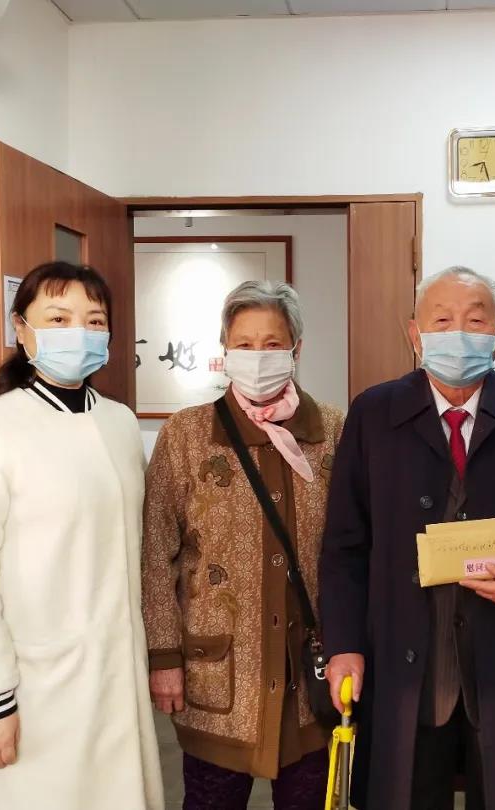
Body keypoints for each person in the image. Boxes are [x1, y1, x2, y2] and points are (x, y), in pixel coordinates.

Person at [319, 266, 495, 810]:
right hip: (403, 665)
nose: (459, 334)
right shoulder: (373, 415)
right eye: (442, 321)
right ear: (415, 334)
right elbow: (345, 547)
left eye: (476, 321)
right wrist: (344, 645)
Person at [0, 261, 164, 810]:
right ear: (22, 327)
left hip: (116, 678)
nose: (78, 332)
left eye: (94, 320)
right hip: (34, 691)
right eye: (58, 318)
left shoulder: (119, 422)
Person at [142, 280, 345, 810]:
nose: (258, 356)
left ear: (296, 349)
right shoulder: (186, 435)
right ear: (225, 350)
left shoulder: (334, 431)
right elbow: (156, 553)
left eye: (272, 344)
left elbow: (353, 550)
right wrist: (163, 656)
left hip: (308, 678)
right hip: (218, 678)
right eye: (244, 344)